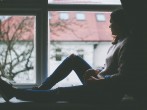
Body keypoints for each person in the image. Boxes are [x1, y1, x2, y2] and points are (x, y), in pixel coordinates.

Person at [0, 8, 133, 103]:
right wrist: (97, 71)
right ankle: (41, 89)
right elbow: (109, 67)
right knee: (73, 59)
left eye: (112, 22)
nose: (109, 25)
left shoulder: (127, 44)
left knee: (60, 93)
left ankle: (13, 92)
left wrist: (100, 80)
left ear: (121, 23)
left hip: (107, 93)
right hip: (99, 84)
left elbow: (124, 77)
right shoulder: (117, 42)